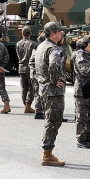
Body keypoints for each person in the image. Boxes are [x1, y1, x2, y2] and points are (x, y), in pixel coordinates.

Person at [35, 21, 67, 166]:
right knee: (53, 121)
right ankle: (47, 154)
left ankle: (47, 152)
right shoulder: (53, 48)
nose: (61, 33)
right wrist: (54, 81)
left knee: (50, 120)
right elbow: (54, 65)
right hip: (53, 91)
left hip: (44, 89)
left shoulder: (41, 46)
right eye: (59, 31)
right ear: (53, 34)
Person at [15, 26, 38, 113]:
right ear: (30, 33)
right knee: (31, 87)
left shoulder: (18, 44)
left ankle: (25, 104)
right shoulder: (34, 44)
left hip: (21, 67)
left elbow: (18, 55)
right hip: (30, 68)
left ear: (22, 34)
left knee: (24, 87)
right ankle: (28, 105)